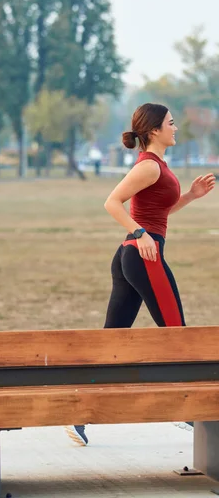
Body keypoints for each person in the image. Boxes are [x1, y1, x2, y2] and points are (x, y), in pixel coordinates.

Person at [66, 103, 215, 446]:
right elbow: (112, 202)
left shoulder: (158, 166)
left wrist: (190, 196)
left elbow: (158, 211)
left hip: (131, 257)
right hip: (140, 256)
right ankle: (187, 412)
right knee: (177, 334)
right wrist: (139, 234)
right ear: (154, 131)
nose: (175, 128)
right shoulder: (149, 166)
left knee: (113, 342)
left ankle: (77, 416)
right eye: (171, 123)